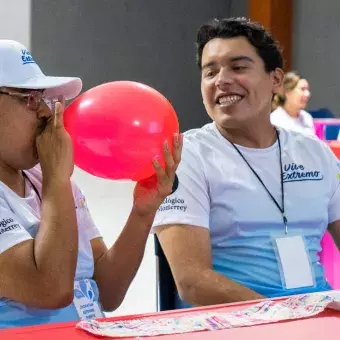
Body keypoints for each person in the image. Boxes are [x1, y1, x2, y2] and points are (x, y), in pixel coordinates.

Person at [152, 18, 340, 309]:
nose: (221, 80)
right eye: (210, 72)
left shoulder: (315, 153)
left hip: (318, 311)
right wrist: (289, 316)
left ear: (275, 79)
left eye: (238, 67)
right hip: (237, 321)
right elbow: (192, 281)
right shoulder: (187, 155)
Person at [0, 40, 182, 328]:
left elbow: (106, 292)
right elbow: (50, 290)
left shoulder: (44, 179)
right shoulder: (54, 180)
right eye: (29, 98)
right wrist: (57, 180)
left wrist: (142, 212)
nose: (47, 113)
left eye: (44, 99)